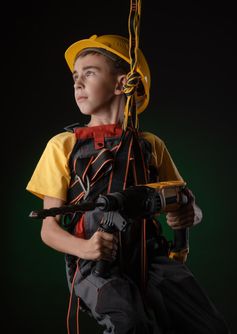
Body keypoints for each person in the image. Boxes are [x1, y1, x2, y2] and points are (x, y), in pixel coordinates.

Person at [26, 34, 230, 334]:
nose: (77, 83)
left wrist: (189, 214)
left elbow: (186, 203)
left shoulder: (150, 145)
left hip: (153, 259)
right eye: (75, 76)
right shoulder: (63, 146)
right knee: (130, 323)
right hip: (97, 268)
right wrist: (86, 249)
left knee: (209, 326)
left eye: (90, 73)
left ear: (123, 83)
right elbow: (49, 229)